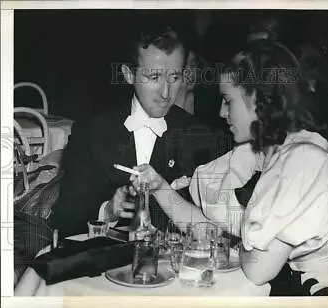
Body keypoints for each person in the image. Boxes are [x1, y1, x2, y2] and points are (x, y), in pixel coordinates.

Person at [130, 39, 328, 296]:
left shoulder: (304, 160)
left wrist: (236, 241)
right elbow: (211, 227)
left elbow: (258, 270)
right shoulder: (271, 151)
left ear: (256, 98)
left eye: (228, 101)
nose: (221, 112)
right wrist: (159, 186)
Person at [50, 16, 227, 237]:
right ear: (128, 74)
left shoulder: (201, 136)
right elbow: (64, 219)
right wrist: (108, 210)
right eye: (154, 77)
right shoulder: (92, 132)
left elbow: (214, 230)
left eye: (174, 76)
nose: (166, 93)